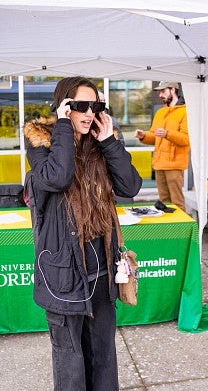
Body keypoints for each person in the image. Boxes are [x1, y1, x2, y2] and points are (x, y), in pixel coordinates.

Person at [23, 76, 142, 391]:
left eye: (96, 106)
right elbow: (58, 178)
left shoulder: (103, 141)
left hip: (102, 268)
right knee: (70, 359)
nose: (90, 113)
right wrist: (63, 128)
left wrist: (109, 142)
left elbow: (131, 186)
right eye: (81, 106)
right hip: (63, 271)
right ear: (64, 106)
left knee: (103, 353)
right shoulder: (41, 140)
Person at [134, 81, 189, 211]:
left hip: (174, 165)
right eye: (160, 92)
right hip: (159, 164)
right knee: (164, 202)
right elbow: (154, 136)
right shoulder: (160, 112)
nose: (160, 95)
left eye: (163, 91)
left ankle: (181, 230)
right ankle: (168, 230)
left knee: (177, 202)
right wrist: (144, 136)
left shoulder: (185, 112)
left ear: (173, 90)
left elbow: (186, 139)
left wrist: (167, 134)